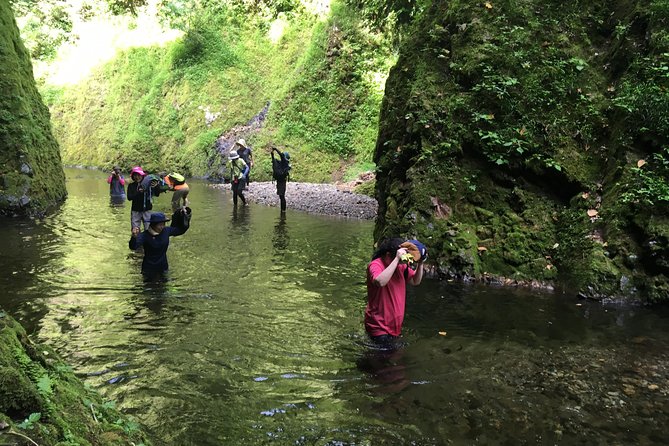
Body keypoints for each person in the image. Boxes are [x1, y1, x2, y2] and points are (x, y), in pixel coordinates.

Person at [364, 238, 426, 349]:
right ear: (388, 255)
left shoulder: (401, 266)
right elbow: (380, 281)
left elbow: (415, 281)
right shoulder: (376, 265)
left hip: (394, 326)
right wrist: (397, 259)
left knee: (391, 361)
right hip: (378, 326)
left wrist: (420, 262)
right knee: (390, 363)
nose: (401, 262)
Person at [129, 209, 191, 275]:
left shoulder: (166, 231)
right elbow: (133, 246)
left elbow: (181, 230)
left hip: (163, 267)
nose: (162, 227)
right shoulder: (145, 235)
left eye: (163, 224)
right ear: (153, 225)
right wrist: (134, 237)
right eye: (160, 225)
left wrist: (183, 214)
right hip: (148, 269)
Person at [126, 166, 161, 231]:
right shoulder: (131, 186)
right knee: (135, 230)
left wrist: (156, 186)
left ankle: (147, 240)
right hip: (135, 211)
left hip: (147, 210)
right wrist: (139, 192)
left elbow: (157, 194)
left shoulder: (148, 184)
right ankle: (136, 240)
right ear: (132, 176)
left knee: (148, 230)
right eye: (135, 175)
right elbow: (129, 197)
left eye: (138, 175)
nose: (137, 177)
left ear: (142, 175)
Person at [271, 148, 291, 212]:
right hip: (280, 181)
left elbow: (279, 156)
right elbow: (274, 160)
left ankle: (283, 210)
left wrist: (275, 150)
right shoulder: (283, 164)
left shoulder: (283, 163)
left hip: (281, 181)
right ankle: (282, 211)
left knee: (282, 196)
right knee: (281, 196)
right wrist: (272, 154)